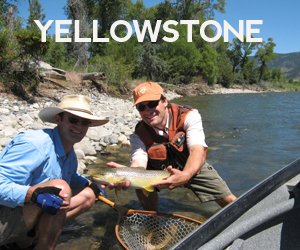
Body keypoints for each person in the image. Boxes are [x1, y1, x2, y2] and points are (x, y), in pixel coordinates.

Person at [107, 82, 236, 212]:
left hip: (191, 165)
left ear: (164, 101)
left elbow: (197, 150)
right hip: (157, 171)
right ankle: (153, 220)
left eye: (152, 104)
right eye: (141, 107)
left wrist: (185, 175)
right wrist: (128, 175)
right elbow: (139, 161)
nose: (148, 111)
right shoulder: (138, 134)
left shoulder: (188, 115)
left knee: (230, 202)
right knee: (140, 186)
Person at [0, 95, 108, 250]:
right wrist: (34, 195)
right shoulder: (34, 144)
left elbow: (70, 176)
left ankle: (23, 240)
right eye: (73, 120)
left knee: (88, 195)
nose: (79, 126)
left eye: (85, 122)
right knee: (60, 189)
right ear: (58, 119)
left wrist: (90, 185)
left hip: (18, 216)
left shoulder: (69, 153)